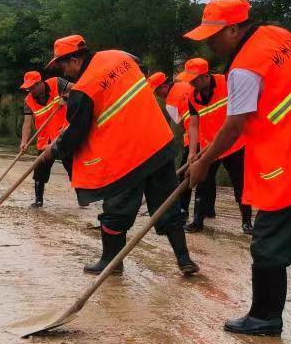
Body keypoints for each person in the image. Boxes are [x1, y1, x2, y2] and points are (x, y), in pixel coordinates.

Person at [185, 0, 291, 335]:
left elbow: (235, 125)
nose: (209, 43)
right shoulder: (278, 36)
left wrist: (204, 161)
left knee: (268, 242)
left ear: (233, 29)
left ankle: (264, 317)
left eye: (212, 35)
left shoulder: (245, 67)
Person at [41, 35, 199, 276]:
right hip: (158, 143)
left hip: (127, 156)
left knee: (116, 209)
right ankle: (184, 258)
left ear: (74, 60)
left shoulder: (84, 89)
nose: (64, 72)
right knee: (167, 204)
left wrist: (52, 151)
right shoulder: (118, 57)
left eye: (62, 65)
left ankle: (110, 261)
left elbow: (76, 132)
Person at [180, 58, 254, 235]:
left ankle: (247, 223)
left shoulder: (228, 82)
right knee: (202, 182)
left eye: (194, 79)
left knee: (240, 184)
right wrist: (192, 151)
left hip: (234, 144)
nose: (191, 83)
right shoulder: (192, 96)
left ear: (206, 76)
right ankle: (197, 222)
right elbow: (194, 125)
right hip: (209, 148)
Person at [19, 70, 72, 207]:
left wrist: (65, 97)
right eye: (29, 88)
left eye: (32, 87)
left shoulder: (56, 83)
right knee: (40, 169)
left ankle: (82, 194)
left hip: (63, 134)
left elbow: (79, 87)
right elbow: (27, 123)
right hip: (44, 139)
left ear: (40, 83)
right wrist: (24, 142)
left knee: (72, 166)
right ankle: (38, 200)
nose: (31, 90)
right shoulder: (28, 100)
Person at [148, 72, 195, 218]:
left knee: (185, 176)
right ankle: (207, 211)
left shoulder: (170, 102)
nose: (158, 95)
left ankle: (182, 209)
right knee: (208, 177)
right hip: (209, 133)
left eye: (157, 91)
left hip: (193, 138)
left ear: (164, 86)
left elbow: (178, 128)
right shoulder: (186, 85)